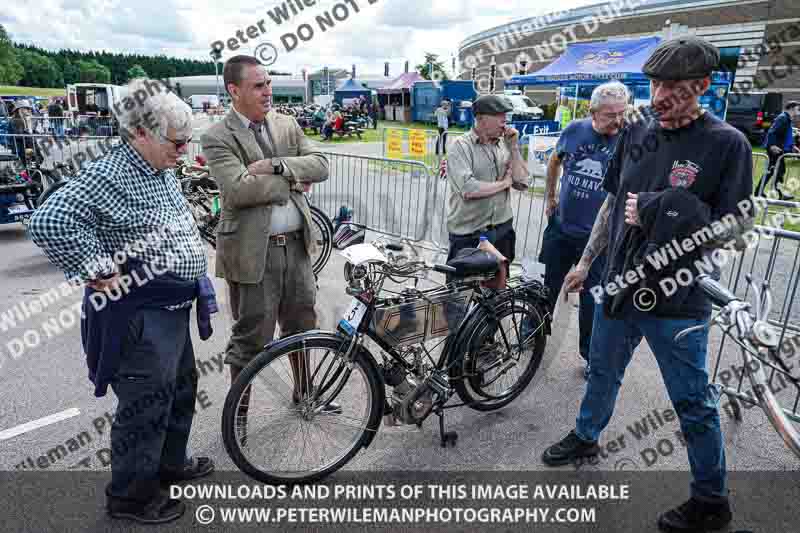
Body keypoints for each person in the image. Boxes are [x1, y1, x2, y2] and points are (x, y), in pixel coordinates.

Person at [541, 37, 754, 532]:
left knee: (693, 400)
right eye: (655, 83)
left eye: (674, 88)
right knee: (601, 370)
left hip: (678, 298)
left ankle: (711, 502)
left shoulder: (726, 144)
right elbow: (613, 203)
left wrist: (663, 209)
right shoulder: (636, 130)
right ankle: (587, 434)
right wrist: (587, 260)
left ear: (702, 86)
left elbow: (736, 227)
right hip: (620, 284)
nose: (659, 96)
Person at [29, 78, 215, 524]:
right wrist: (97, 270)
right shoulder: (108, 174)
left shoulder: (159, 167)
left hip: (170, 309)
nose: (184, 151)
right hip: (140, 315)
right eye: (176, 142)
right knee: (145, 406)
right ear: (140, 133)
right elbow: (48, 221)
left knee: (179, 391)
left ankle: (170, 465)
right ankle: (130, 497)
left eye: (187, 141)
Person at [200, 55, 333, 442]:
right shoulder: (217, 136)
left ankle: (305, 393)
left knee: (302, 328)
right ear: (234, 90)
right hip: (253, 254)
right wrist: (296, 178)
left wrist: (276, 167)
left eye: (268, 83)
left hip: (297, 248)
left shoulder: (286, 124)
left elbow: (322, 164)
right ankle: (239, 412)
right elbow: (238, 190)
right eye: (258, 85)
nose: (268, 91)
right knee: (250, 339)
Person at [540, 81, 627, 379]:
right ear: (592, 112)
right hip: (562, 229)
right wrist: (550, 196)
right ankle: (534, 332)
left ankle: (590, 355)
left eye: (622, 113)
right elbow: (554, 161)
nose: (617, 120)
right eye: (610, 115)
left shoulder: (628, 137)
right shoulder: (574, 130)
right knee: (547, 285)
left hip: (598, 240)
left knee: (593, 300)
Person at [445, 94, 529, 273]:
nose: (504, 122)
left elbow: (522, 182)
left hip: (502, 229)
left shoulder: (505, 144)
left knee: (498, 292)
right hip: (469, 234)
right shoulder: (460, 146)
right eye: (499, 116)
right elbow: (469, 189)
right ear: (481, 119)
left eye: (505, 116)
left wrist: (514, 148)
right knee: (460, 292)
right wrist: (505, 183)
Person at [760, 100, 800, 200]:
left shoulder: (786, 118)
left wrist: (792, 146)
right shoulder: (783, 118)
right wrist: (772, 145)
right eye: (797, 109)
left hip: (778, 149)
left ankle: (759, 192)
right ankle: (778, 193)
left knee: (774, 171)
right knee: (778, 171)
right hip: (775, 149)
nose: (798, 111)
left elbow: (786, 135)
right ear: (791, 108)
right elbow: (772, 132)